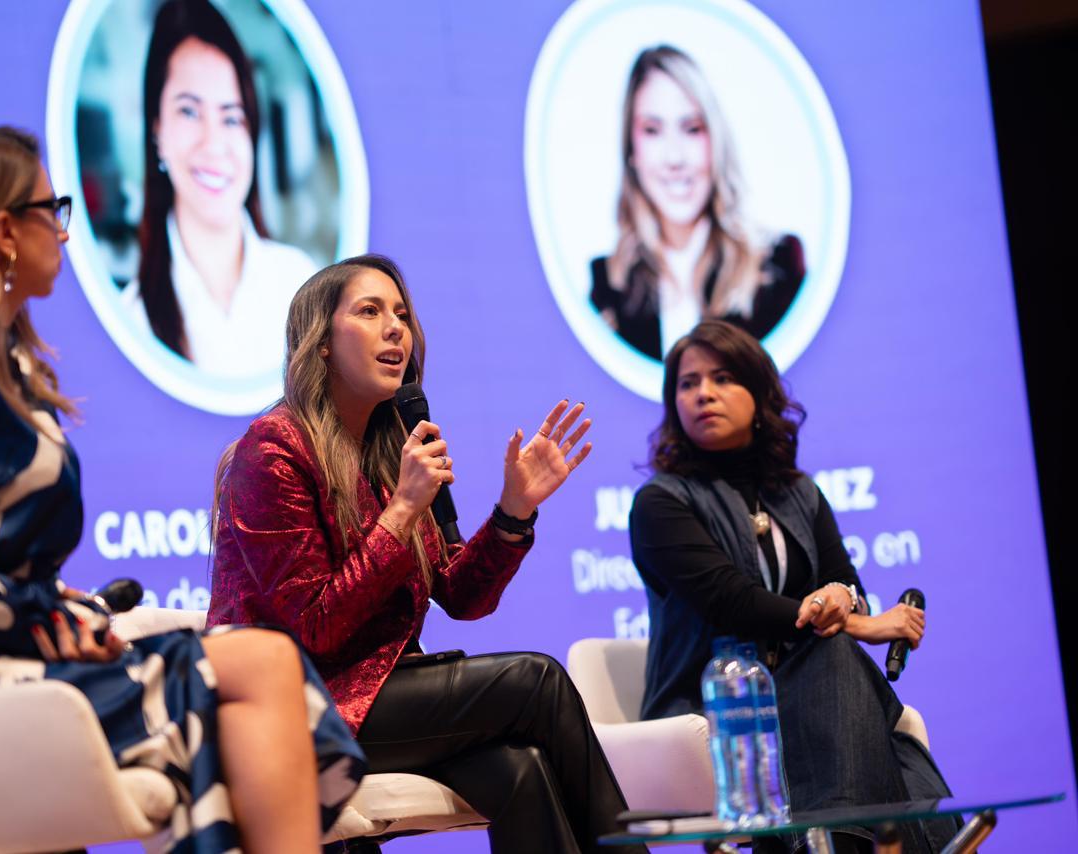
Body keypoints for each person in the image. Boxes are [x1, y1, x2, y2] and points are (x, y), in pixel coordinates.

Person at [0, 126, 363, 854]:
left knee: (267, 661)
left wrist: (65, 608)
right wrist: (48, 620)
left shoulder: (8, 369)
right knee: (239, 672)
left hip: (1, 649)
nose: (63, 228)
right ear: (2, 230)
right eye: (49, 207)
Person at [209, 255, 644, 854]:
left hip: (378, 692)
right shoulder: (274, 450)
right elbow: (314, 626)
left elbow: (461, 596)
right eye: (369, 311)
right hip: (298, 707)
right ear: (322, 343)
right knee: (537, 682)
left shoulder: (396, 448)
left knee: (521, 771)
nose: (396, 328)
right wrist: (403, 510)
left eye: (402, 315)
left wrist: (513, 511)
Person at [629, 320, 957, 852]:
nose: (703, 394)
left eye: (723, 378)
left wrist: (844, 600)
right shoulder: (662, 502)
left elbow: (843, 579)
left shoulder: (798, 493)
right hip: (715, 701)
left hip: (808, 696)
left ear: (760, 397)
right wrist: (860, 622)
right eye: (688, 384)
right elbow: (730, 602)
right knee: (839, 660)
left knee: (833, 661)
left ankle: (831, 842)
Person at [121, 0, 317, 378]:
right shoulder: (133, 319)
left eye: (231, 117)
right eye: (190, 111)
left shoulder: (302, 285)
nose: (213, 143)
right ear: (156, 130)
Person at [590, 46, 805, 361]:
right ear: (631, 151)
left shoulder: (778, 266)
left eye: (692, 129)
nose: (675, 157)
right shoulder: (608, 288)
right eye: (652, 131)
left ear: (715, 142)